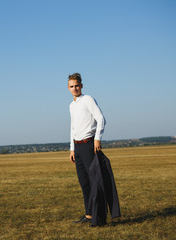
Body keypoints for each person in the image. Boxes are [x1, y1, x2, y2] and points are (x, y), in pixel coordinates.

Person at [67, 73, 106, 225]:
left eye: (77, 85)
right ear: (68, 88)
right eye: (71, 86)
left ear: (81, 86)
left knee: (95, 181)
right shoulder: (72, 105)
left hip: (89, 145)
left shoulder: (88, 99)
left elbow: (101, 118)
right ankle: (89, 215)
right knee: (84, 183)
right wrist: (72, 149)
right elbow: (73, 128)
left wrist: (97, 138)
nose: (74, 88)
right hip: (77, 147)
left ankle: (100, 217)